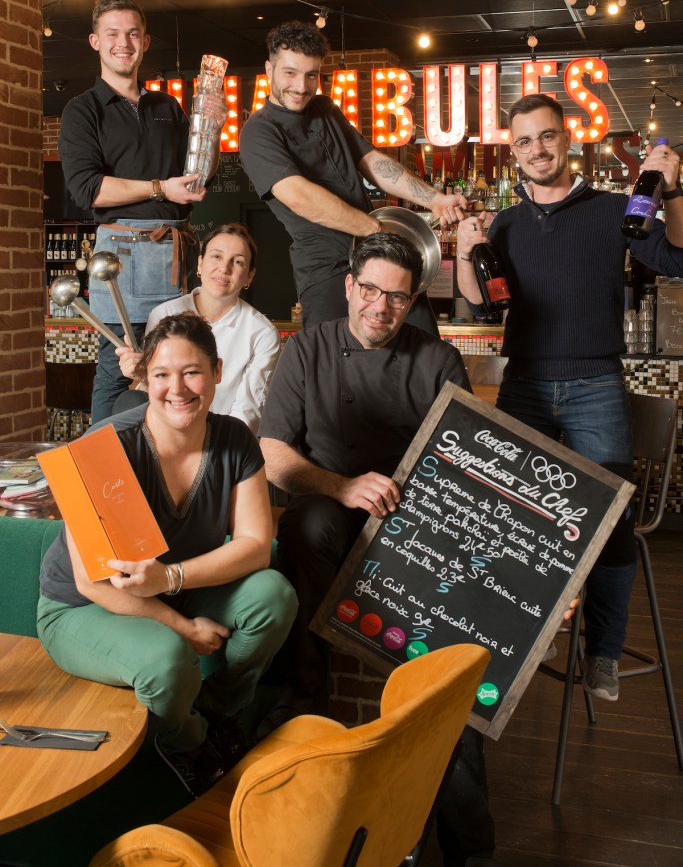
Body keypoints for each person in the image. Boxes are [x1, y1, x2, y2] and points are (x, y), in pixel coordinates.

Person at [258, 232, 497, 866]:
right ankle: (305, 698)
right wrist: (341, 486)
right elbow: (274, 454)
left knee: (447, 667)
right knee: (308, 525)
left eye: (396, 297)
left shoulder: (437, 360)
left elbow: (472, 469)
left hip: (417, 527)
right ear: (349, 286)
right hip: (329, 508)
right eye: (370, 290)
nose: (380, 307)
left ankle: (466, 844)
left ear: (412, 300)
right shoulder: (306, 348)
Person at [456, 92, 683, 702]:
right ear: (513, 152)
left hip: (595, 385)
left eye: (547, 135)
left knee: (610, 521)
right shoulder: (504, 224)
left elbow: (676, 258)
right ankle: (528, 627)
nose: (537, 149)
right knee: (509, 517)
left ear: (568, 138)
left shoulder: (614, 209)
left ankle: (603, 652)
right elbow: (479, 303)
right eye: (524, 141)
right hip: (524, 384)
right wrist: (465, 247)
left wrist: (673, 190)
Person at [37, 312, 298, 798]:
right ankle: (188, 744)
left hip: (172, 587)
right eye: (161, 374)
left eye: (192, 372)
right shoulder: (103, 448)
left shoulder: (235, 438)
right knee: (168, 657)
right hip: (83, 607)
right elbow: (92, 582)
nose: (176, 389)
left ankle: (220, 712)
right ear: (145, 379)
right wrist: (184, 627)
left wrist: (169, 579)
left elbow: (255, 547)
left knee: (274, 596)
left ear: (217, 372)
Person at [59, 0, 224, 423]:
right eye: (113, 33)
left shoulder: (167, 106)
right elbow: (87, 189)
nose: (123, 43)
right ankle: (100, 462)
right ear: (95, 41)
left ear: (146, 42)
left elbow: (197, 176)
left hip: (177, 257)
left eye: (133, 34)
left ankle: (167, 459)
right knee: (119, 371)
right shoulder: (82, 110)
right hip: (122, 260)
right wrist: (160, 188)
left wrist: (212, 131)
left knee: (179, 368)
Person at [239, 20, 466, 333]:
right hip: (326, 268)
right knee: (335, 357)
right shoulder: (258, 130)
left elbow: (372, 161)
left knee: (424, 345)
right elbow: (298, 195)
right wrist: (375, 229)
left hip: (377, 255)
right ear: (269, 69)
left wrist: (434, 199)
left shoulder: (325, 109)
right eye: (290, 73)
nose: (301, 86)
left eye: (311, 75)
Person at [115, 224, 280, 433]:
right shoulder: (164, 313)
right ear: (200, 264)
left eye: (238, 262)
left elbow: (248, 410)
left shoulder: (262, 333)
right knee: (128, 403)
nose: (224, 268)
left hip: (219, 437)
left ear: (249, 275)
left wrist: (217, 447)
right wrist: (138, 372)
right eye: (216, 256)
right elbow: (151, 389)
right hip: (164, 431)